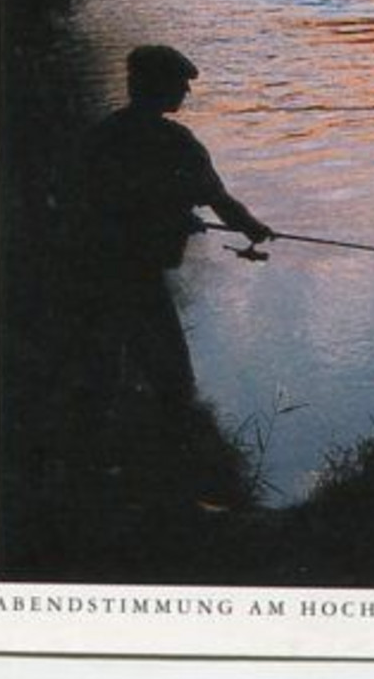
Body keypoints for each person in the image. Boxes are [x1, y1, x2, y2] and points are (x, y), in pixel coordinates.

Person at [80, 45, 273, 408]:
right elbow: (219, 201)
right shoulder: (176, 143)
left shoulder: (103, 133)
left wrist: (177, 216)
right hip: (138, 274)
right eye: (181, 83)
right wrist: (253, 228)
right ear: (160, 87)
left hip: (92, 265)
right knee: (174, 377)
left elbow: (98, 198)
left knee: (105, 363)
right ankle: (175, 433)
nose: (187, 91)